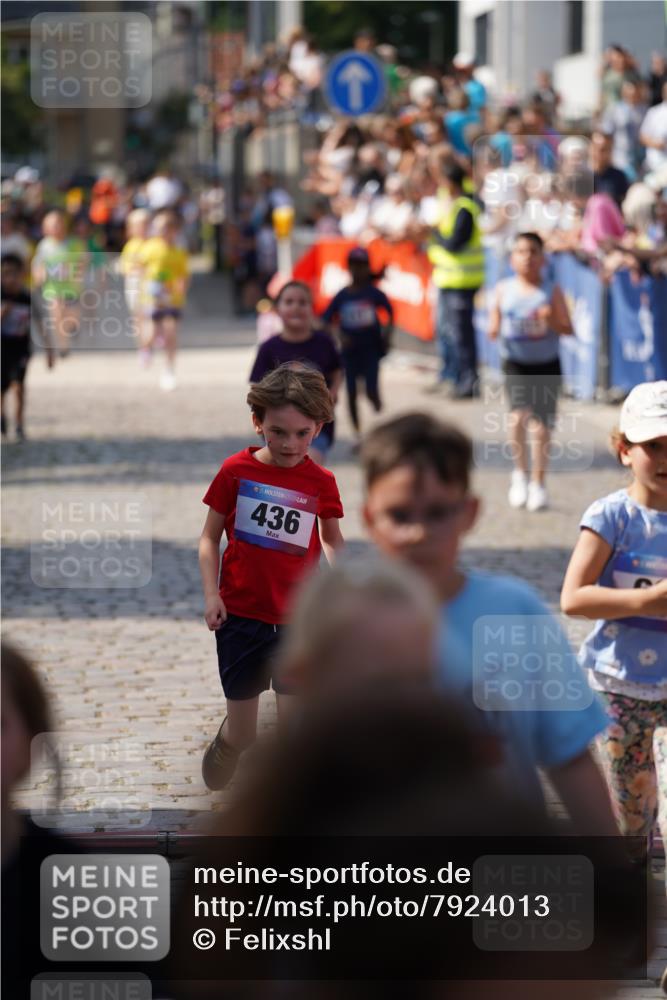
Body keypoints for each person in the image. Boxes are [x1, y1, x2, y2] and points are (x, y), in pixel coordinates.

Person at [360, 412, 619, 832]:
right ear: (369, 518)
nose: (419, 533)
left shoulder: (514, 611)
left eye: (437, 513)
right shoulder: (341, 619)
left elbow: (569, 755)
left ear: (469, 512)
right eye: (400, 515)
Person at [198, 366, 344, 791]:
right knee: (245, 734)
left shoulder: (321, 482)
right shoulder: (235, 471)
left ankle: (287, 807)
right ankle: (229, 741)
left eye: (302, 434)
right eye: (278, 432)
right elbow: (208, 539)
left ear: (318, 429)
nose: (289, 444)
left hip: (299, 620)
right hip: (241, 619)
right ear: (257, 422)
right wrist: (211, 595)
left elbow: (332, 540)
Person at [561, 381, 667, 867]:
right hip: (621, 683)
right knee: (631, 813)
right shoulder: (611, 517)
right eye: (653, 446)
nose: (665, 459)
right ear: (624, 449)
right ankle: (635, 877)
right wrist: (647, 601)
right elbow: (573, 598)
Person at [488, 232, 573, 512]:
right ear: (512, 259)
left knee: (541, 426)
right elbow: (493, 327)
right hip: (516, 363)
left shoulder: (551, 290)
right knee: (517, 417)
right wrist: (497, 327)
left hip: (546, 363)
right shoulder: (503, 289)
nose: (527, 257)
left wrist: (551, 321)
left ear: (542, 258)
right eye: (521, 251)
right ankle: (520, 475)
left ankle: (538, 483)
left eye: (533, 252)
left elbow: (568, 328)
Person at [249, 281, 343, 464]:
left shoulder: (324, 343)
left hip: (316, 425)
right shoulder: (269, 348)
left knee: (307, 464)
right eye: (289, 302)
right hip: (278, 427)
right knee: (282, 470)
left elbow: (337, 369)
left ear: (312, 308)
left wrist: (333, 392)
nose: (296, 307)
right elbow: (257, 386)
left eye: (302, 302)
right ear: (277, 309)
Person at [321, 247, 393, 448]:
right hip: (349, 353)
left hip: (371, 350)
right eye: (353, 266)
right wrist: (338, 334)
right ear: (348, 268)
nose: (357, 270)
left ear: (367, 268)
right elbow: (325, 320)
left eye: (361, 266)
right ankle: (357, 434)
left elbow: (389, 313)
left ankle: (375, 401)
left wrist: (387, 336)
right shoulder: (343, 295)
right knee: (351, 392)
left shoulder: (374, 293)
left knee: (371, 390)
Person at [427, 161, 484, 398]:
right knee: (450, 333)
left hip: (462, 282)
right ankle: (456, 377)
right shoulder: (453, 205)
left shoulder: (464, 208)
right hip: (449, 281)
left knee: (462, 335)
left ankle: (468, 381)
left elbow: (454, 244)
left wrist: (436, 235)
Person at [1, 254, 52, 441]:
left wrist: (49, 350)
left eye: (15, 275)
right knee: (2, 387)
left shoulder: (26, 298)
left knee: (19, 386)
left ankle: (19, 423)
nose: (11, 279)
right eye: (7, 275)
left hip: (20, 348)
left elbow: (40, 323)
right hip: (2, 348)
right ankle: (2, 416)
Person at [138, 210, 190, 391]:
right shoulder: (150, 247)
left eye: (164, 228)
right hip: (153, 298)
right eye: (157, 228)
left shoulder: (179, 252)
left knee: (171, 332)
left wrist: (181, 289)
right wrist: (147, 284)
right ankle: (146, 348)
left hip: (173, 299)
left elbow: (184, 275)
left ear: (174, 230)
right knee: (151, 332)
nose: (160, 231)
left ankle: (169, 369)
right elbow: (139, 266)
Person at [31, 210, 85, 357]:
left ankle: (72, 327)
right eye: (51, 225)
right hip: (52, 288)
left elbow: (83, 261)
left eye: (57, 224)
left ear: (63, 225)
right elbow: (38, 264)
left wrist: (77, 272)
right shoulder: (44, 246)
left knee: (71, 316)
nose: (55, 228)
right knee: (56, 315)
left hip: (71, 288)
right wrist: (39, 275)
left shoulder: (74, 244)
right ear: (45, 228)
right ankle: (63, 346)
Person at [118, 207, 151, 359]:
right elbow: (124, 267)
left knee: (151, 314)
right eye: (138, 225)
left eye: (145, 225)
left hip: (150, 284)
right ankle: (142, 346)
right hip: (135, 284)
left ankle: (151, 339)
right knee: (137, 315)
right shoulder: (130, 246)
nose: (142, 229)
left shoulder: (153, 244)